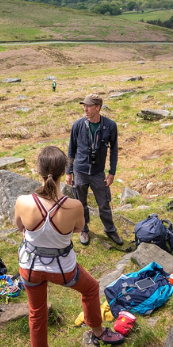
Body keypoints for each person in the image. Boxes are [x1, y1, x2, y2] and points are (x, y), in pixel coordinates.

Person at [14, 146, 125, 347]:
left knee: (37, 310)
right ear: (64, 170)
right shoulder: (73, 205)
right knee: (92, 288)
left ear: (38, 170)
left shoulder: (23, 201)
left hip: (30, 267)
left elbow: (20, 227)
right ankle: (97, 331)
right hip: (62, 269)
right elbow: (78, 228)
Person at [67, 94, 123, 246]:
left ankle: (110, 230)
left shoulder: (110, 125)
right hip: (80, 171)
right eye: (84, 105)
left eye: (89, 106)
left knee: (104, 203)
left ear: (98, 107)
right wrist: (68, 172)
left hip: (98, 172)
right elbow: (71, 149)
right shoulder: (78, 125)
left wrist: (112, 172)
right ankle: (84, 229)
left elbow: (114, 150)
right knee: (81, 203)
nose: (85, 109)